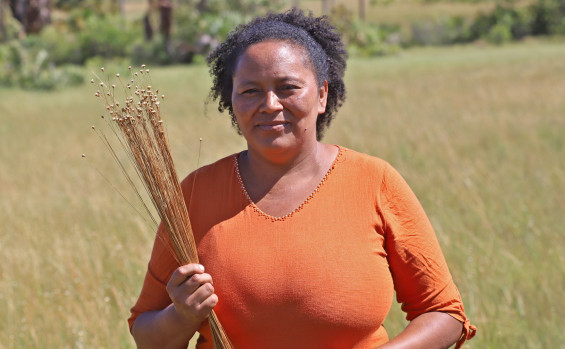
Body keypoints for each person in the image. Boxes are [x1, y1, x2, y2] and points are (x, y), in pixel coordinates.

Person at [128, 8, 476, 349]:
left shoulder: (374, 181)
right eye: (250, 91)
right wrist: (182, 317)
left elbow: (444, 313)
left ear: (322, 94)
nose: (270, 104)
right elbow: (146, 334)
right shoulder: (196, 193)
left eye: (287, 87)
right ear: (230, 98)